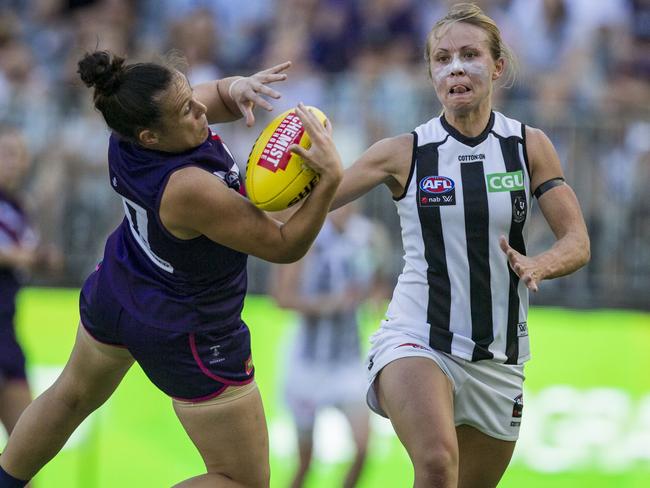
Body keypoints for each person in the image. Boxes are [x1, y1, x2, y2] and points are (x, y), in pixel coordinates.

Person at [0, 50, 343, 488]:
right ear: (150, 137)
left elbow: (211, 95)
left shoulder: (129, 126)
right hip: (187, 328)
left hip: (120, 287)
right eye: (187, 109)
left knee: (71, 396)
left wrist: (235, 86)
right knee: (242, 481)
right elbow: (282, 243)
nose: (202, 110)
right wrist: (329, 179)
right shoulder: (186, 188)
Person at [330, 4, 590, 487]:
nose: (456, 68)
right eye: (442, 58)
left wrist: (541, 264)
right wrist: (289, 183)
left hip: (500, 359)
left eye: (470, 55)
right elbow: (316, 203)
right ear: (430, 74)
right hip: (418, 335)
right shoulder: (402, 152)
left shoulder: (528, 145)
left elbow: (576, 241)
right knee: (435, 465)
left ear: (497, 67)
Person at [271, 203, 389, 488]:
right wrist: (329, 305)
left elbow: (375, 280)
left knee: (363, 448)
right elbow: (282, 297)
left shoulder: (366, 236)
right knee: (305, 463)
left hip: (347, 362)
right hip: (307, 365)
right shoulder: (308, 237)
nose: (344, 208)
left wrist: (374, 295)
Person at [0, 127, 61, 456]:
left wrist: (44, 258)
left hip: (6, 329)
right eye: (6, 153)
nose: (13, 162)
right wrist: (29, 257)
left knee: (24, 453)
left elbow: (35, 252)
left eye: (18, 155)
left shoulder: (20, 207)